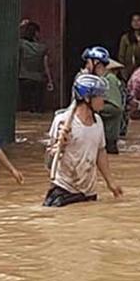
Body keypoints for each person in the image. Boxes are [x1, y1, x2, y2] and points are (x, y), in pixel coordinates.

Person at [43, 74, 123, 207]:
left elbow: (100, 152)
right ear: (87, 98)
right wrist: (58, 148)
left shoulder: (98, 122)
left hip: (88, 192)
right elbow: (48, 163)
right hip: (64, 190)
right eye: (100, 95)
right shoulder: (63, 121)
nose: (103, 99)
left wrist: (110, 182)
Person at [18, 21, 54, 113]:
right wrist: (50, 81)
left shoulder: (21, 44)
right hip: (38, 81)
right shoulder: (42, 48)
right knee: (37, 108)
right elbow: (45, 66)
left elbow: (11, 37)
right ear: (36, 33)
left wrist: (20, 26)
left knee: (24, 108)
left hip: (24, 79)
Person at [118, 13, 140, 81]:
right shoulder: (125, 38)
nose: (136, 23)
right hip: (128, 72)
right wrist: (124, 73)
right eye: (133, 20)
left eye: (138, 20)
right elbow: (121, 57)